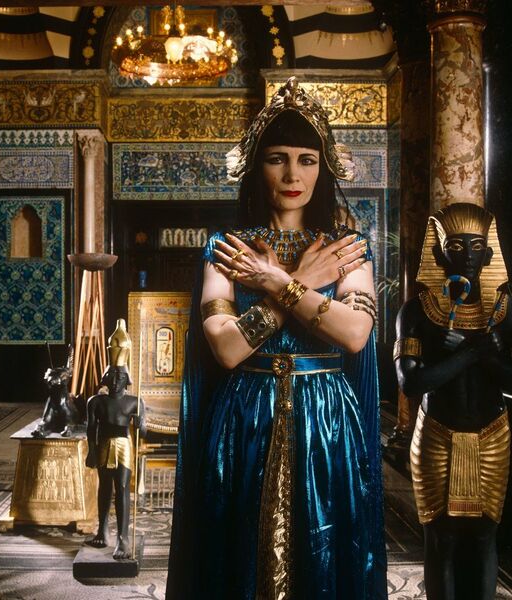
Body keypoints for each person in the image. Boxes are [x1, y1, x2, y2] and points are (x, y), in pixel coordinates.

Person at [166, 78, 386, 600]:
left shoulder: (347, 247)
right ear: (255, 167)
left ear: (323, 168)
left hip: (327, 419)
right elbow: (227, 349)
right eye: (277, 159)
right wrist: (302, 284)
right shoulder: (226, 248)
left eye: (307, 160)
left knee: (324, 551)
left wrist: (275, 281)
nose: (292, 175)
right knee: (239, 547)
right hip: (245, 416)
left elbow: (355, 334)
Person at [394, 203, 512, 600]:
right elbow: (411, 383)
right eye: (456, 246)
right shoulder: (415, 312)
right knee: (440, 539)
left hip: (492, 434)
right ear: (440, 252)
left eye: (476, 246)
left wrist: (483, 353)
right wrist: (471, 353)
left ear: (490, 253)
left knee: (484, 536)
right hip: (436, 435)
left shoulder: (506, 312)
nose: (467, 256)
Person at [85, 318, 146, 559]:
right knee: (104, 488)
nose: (116, 380)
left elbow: (143, 431)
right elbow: (91, 429)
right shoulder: (95, 402)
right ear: (106, 377)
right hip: (103, 444)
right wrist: (91, 451)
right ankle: (102, 529)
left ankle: (123, 537)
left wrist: (140, 424)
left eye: (120, 376)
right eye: (113, 375)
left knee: (121, 488)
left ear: (126, 378)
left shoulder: (134, 402)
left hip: (123, 446)